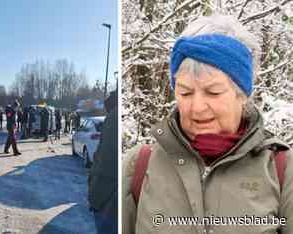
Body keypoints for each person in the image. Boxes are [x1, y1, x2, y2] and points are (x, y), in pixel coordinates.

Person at [122, 14, 293, 234]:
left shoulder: (282, 169)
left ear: (242, 94)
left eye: (213, 92)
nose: (197, 107)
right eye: (185, 92)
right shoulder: (139, 165)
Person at [88, 89, 118, 234]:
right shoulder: (113, 117)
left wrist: (94, 195)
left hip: (107, 200)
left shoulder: (114, 118)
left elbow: (103, 162)